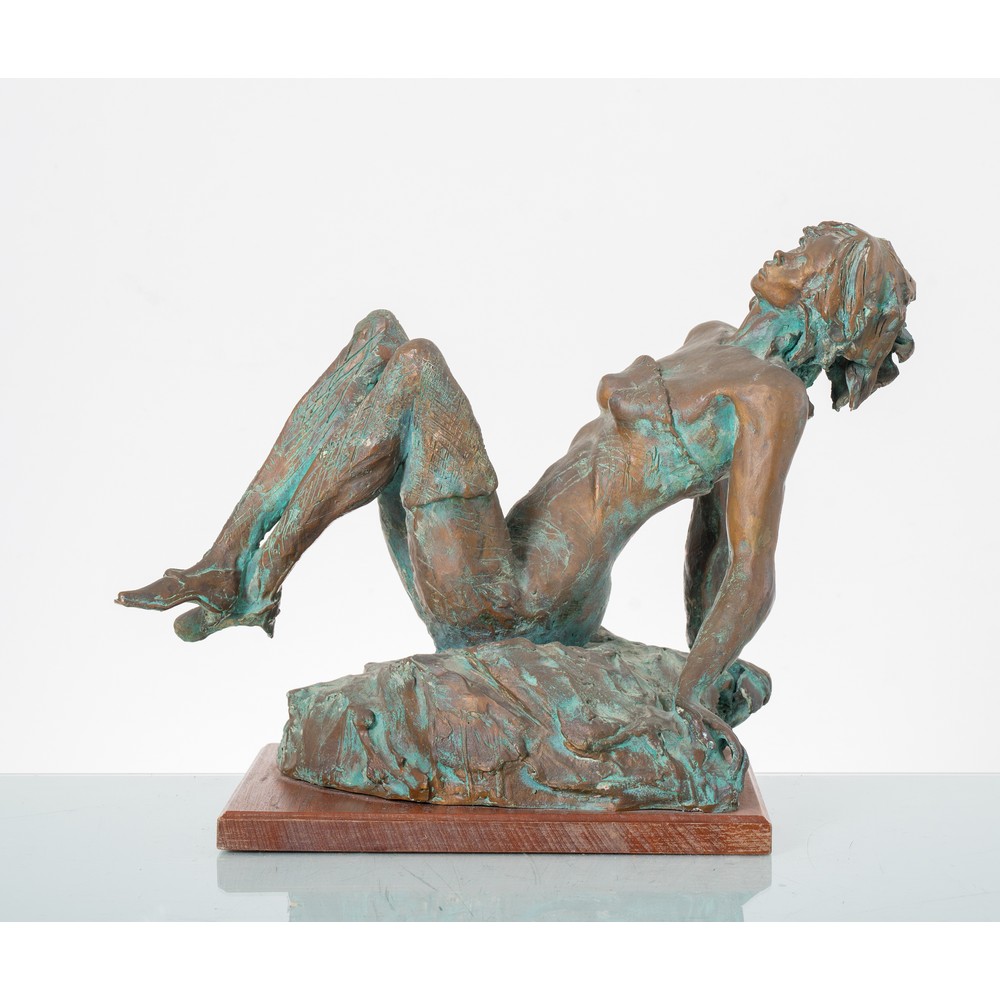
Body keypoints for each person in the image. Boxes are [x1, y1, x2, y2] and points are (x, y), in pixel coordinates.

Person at [118, 221, 915, 739]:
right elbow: (706, 536)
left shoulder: (771, 399)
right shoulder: (713, 340)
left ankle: (256, 578)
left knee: (416, 365)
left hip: (521, 595)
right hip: (502, 553)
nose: (783, 251)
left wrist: (697, 680)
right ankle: (228, 559)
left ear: (829, 294)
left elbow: (744, 562)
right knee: (380, 337)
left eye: (806, 252)